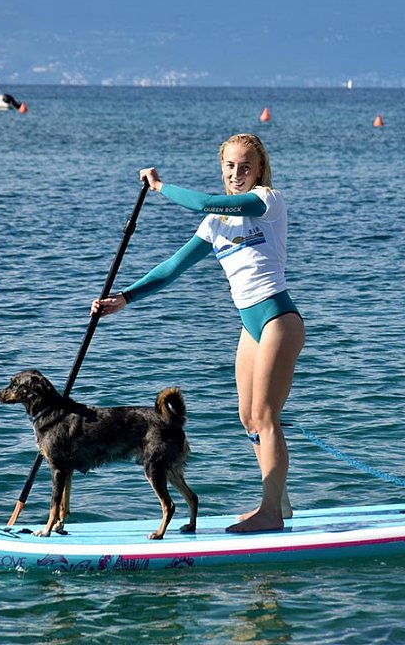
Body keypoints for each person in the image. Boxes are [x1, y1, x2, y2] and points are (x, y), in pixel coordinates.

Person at [91, 133, 305, 533]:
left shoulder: (266, 201)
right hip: (250, 326)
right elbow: (173, 267)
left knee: (266, 416)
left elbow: (208, 200)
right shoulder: (215, 224)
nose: (237, 173)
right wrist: (124, 298)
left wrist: (159, 187)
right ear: (221, 167)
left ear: (259, 169)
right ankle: (281, 502)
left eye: (245, 166)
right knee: (247, 418)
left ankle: (270, 513)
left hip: (279, 320)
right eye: (230, 166)